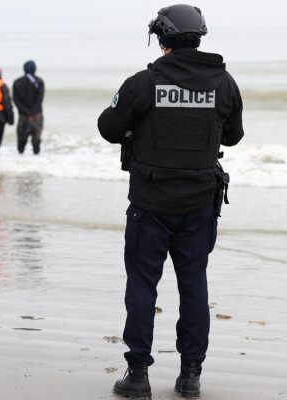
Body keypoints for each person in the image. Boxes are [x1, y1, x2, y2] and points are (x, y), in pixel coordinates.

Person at [97, 5, 244, 399]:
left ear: (162, 38)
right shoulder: (224, 83)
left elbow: (108, 127)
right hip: (199, 206)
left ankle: (138, 376)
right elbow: (233, 137)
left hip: (150, 203)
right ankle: (191, 375)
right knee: (193, 285)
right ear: (199, 36)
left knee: (143, 285)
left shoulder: (145, 82)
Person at [13, 60, 45, 155]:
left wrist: (26, 112)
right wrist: (33, 112)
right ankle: (36, 158)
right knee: (36, 139)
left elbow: (16, 100)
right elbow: (40, 99)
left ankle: (20, 159)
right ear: (35, 69)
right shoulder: (39, 81)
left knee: (21, 140)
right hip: (37, 116)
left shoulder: (17, 82)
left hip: (23, 116)